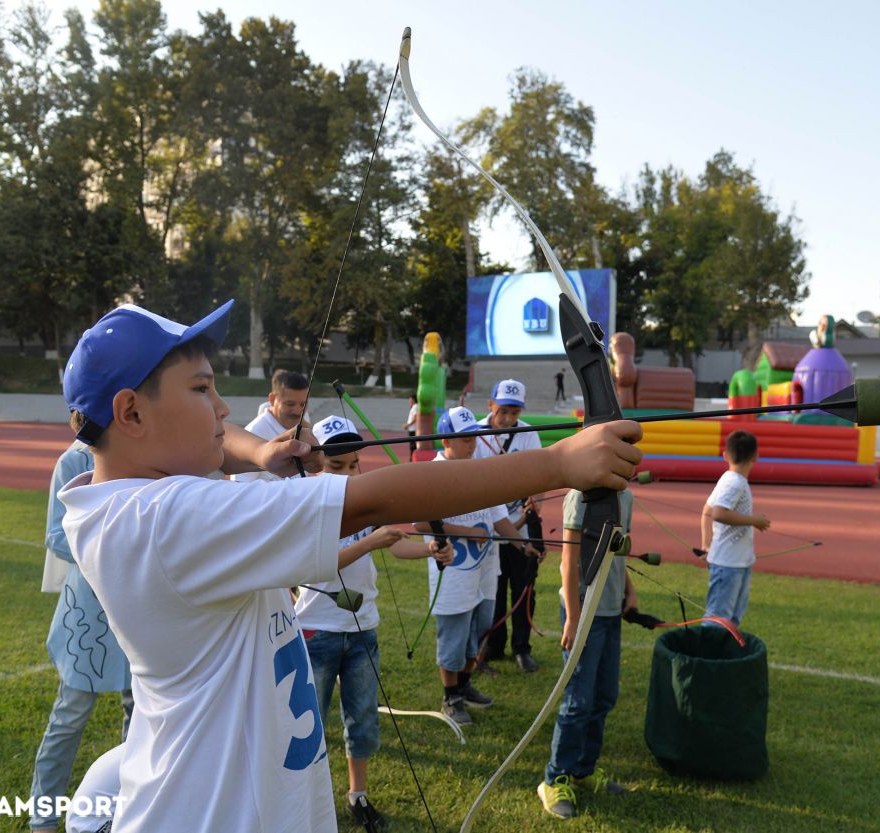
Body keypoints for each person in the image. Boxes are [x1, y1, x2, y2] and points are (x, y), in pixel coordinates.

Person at [57, 300, 642, 832]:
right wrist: (562, 461)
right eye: (201, 389)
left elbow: (214, 436)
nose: (223, 407)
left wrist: (262, 452)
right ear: (131, 413)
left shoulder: (120, 498)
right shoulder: (162, 521)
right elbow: (373, 498)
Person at [298, 415, 452, 832]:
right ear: (317, 465)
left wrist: (431, 551)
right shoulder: (308, 500)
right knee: (307, 724)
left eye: (352, 466)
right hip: (316, 630)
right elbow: (318, 563)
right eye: (336, 467)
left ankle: (357, 795)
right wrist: (371, 540)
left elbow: (395, 543)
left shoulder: (362, 500)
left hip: (362, 629)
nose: (347, 474)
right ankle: (303, 802)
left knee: (362, 718)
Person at [29, 441, 134, 833]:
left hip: (136, 603)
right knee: (70, 716)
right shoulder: (74, 460)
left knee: (140, 716)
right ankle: (43, 817)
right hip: (87, 613)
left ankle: (129, 809)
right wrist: (114, 543)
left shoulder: (140, 451)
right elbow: (56, 536)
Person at [414, 406, 533, 726]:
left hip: (485, 571)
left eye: (474, 438)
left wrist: (522, 544)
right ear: (446, 442)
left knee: (480, 628)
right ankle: (449, 696)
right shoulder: (433, 473)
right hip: (453, 573)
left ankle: (464, 686)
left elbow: (499, 519)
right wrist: (469, 533)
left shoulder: (481, 469)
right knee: (453, 633)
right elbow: (421, 523)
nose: (473, 444)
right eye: (465, 439)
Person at [537, 487, 636, 820]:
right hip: (583, 612)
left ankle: (583, 769)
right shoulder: (580, 496)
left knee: (605, 695)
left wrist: (629, 589)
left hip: (609, 611)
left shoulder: (626, 497)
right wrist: (574, 618)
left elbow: (617, 550)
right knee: (578, 700)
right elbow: (569, 559)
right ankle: (555, 779)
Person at [473, 379, 545, 672]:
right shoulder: (475, 434)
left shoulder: (528, 435)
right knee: (493, 590)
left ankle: (521, 648)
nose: (508, 418)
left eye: (514, 412)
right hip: (489, 529)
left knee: (524, 588)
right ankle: (494, 645)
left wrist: (535, 503)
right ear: (491, 406)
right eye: (503, 411)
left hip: (521, 528)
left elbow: (540, 476)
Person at [700, 430, 770, 627]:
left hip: (739, 561)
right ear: (756, 456)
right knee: (718, 620)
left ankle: (724, 654)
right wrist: (753, 520)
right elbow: (718, 513)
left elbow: (707, 510)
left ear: (725, 455)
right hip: (728, 564)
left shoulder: (729, 478)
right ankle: (710, 655)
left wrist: (706, 545)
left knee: (732, 620)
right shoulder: (734, 482)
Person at [234, 369, 311, 483]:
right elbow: (240, 485)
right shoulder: (254, 432)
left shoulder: (304, 421)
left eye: (303, 404)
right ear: (272, 399)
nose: (297, 411)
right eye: (290, 404)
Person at [403, 395, 418, 462]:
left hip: (413, 429)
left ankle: (412, 459)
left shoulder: (415, 407)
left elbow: (415, 418)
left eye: (410, 399)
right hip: (412, 428)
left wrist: (408, 425)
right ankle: (412, 458)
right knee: (412, 445)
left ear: (414, 400)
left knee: (413, 445)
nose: (409, 401)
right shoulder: (414, 407)